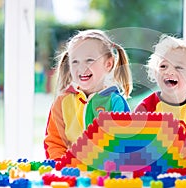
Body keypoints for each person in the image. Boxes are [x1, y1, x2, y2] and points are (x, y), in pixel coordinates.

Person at [44, 29, 133, 160]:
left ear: (108, 64)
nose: (82, 68)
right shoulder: (62, 102)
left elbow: (124, 143)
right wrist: (62, 166)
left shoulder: (116, 102)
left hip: (105, 174)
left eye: (89, 60)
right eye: (75, 61)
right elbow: (54, 142)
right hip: (69, 174)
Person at [134, 34, 186, 152]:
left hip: (184, 169)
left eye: (178, 67)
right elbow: (136, 148)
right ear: (155, 72)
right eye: (163, 66)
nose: (169, 71)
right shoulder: (145, 108)